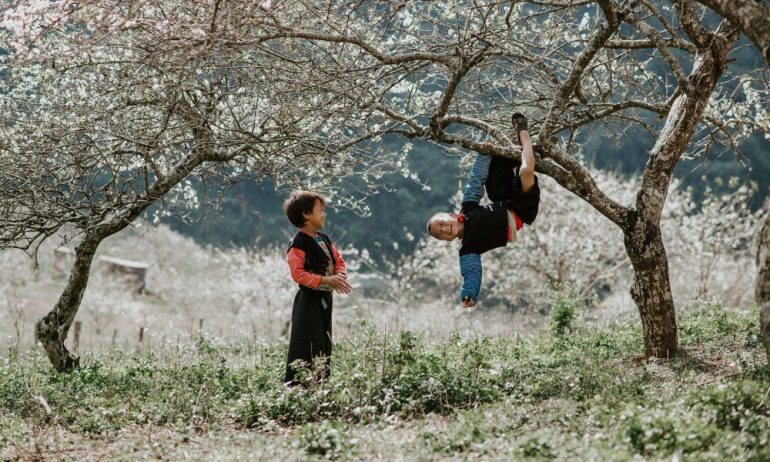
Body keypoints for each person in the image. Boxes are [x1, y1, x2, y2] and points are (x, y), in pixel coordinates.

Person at [426, 112, 540, 307]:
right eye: (441, 233)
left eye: (443, 224)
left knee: (494, 173)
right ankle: (525, 136)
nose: (444, 229)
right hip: (521, 211)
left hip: (505, 200)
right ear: (446, 240)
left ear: (452, 216)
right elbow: (471, 273)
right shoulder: (468, 248)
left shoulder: (468, 207)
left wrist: (484, 154)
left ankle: (521, 150)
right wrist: (468, 294)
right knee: (526, 170)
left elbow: (476, 181)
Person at [283, 191, 352, 386]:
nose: (324, 214)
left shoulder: (324, 239)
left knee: (323, 345)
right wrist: (327, 280)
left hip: (325, 301)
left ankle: (320, 389)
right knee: (307, 346)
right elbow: (298, 274)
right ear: (306, 214)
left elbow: (338, 260)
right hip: (308, 302)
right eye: (321, 210)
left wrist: (339, 277)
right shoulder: (298, 243)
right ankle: (298, 390)